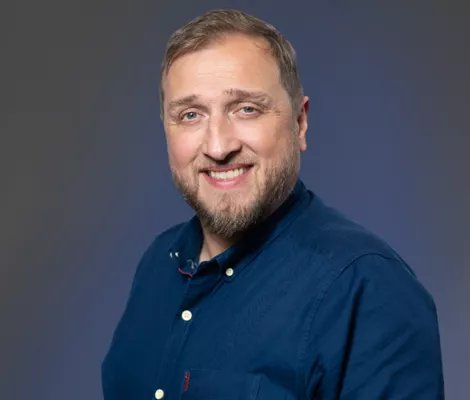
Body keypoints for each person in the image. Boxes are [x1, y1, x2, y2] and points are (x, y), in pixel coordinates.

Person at [102, 9, 444, 400]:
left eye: (246, 109)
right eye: (190, 115)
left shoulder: (367, 288)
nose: (218, 146)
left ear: (300, 123)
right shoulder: (158, 262)